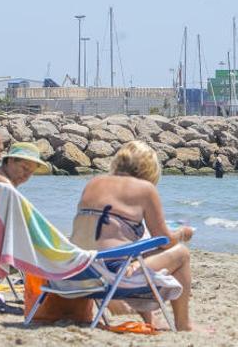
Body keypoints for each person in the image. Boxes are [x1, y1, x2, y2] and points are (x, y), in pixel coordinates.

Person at [71, 141, 195, 331]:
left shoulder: (94, 182)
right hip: (111, 273)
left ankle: (150, 320)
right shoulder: (145, 189)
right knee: (181, 254)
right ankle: (184, 324)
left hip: (78, 267)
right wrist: (182, 234)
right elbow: (165, 241)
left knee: (134, 251)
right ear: (150, 169)